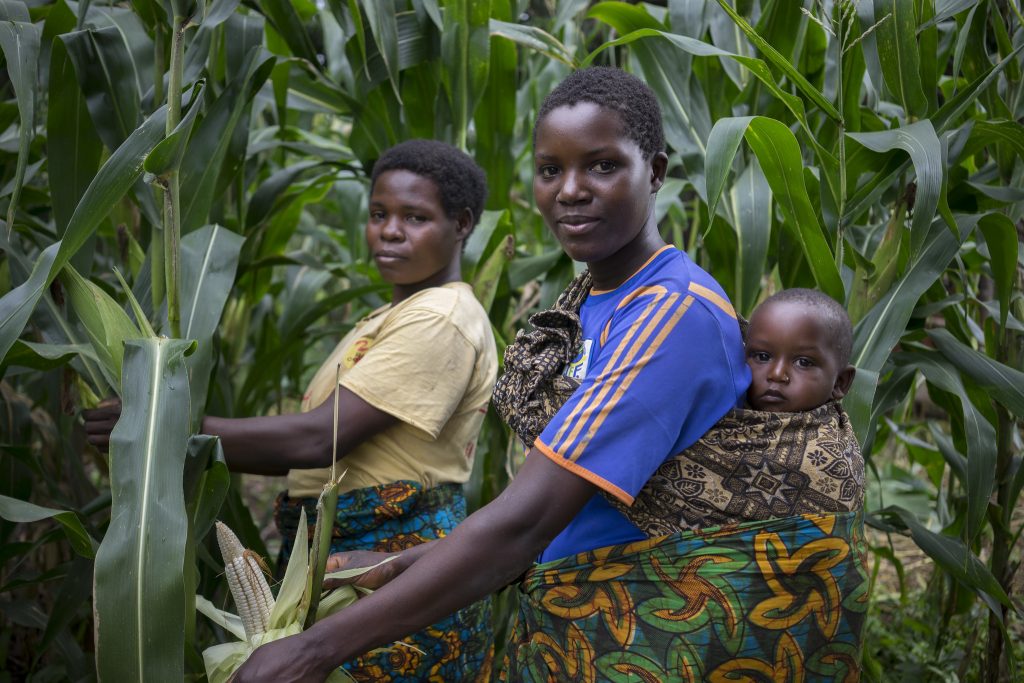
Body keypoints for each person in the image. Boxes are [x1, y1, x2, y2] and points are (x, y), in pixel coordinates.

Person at [231, 67, 867, 683]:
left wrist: (313, 651)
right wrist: (405, 563)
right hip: (578, 615)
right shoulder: (593, 302)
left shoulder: (673, 315)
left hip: (647, 629)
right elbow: (569, 506)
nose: (569, 190)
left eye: (602, 165)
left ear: (658, 173)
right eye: (549, 170)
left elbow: (528, 517)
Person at [83, 139, 498, 682]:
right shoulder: (392, 316)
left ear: (462, 223)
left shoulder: (441, 318)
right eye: (378, 215)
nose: (389, 231)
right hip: (343, 556)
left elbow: (316, 440)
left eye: (414, 217)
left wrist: (160, 420)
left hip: (391, 560)